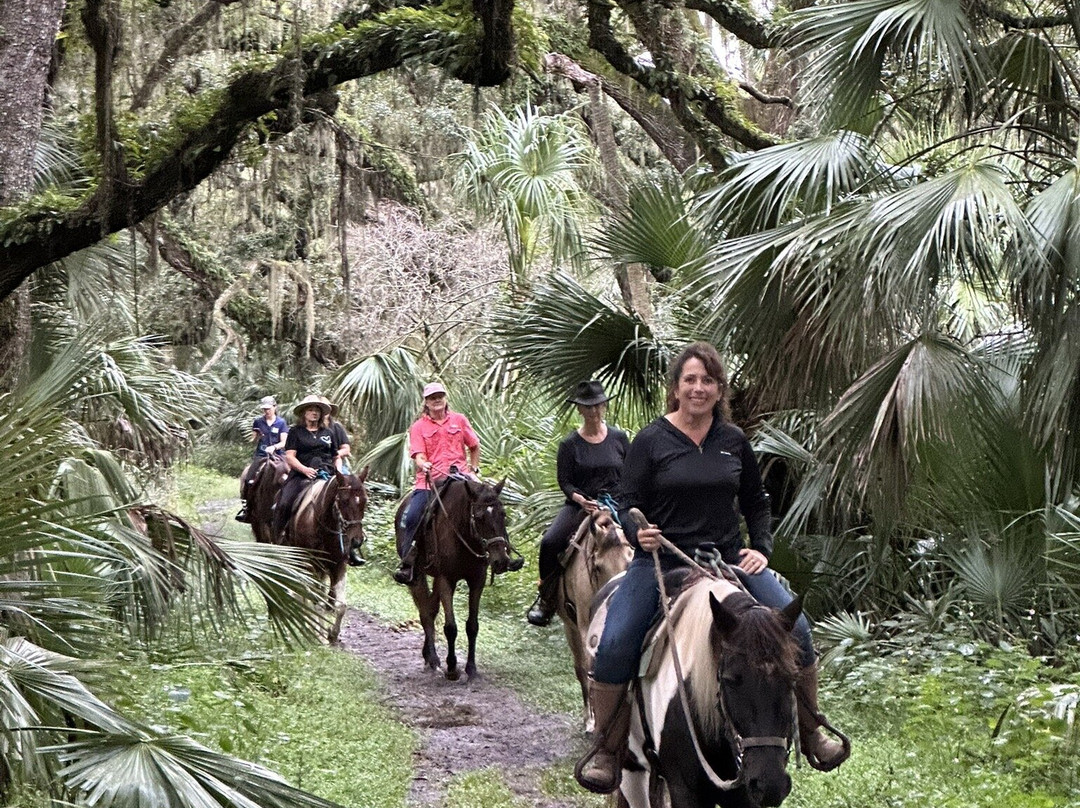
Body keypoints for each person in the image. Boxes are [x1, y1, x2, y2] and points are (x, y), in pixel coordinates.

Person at [575, 342, 848, 795]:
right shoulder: (651, 440)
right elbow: (626, 502)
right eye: (690, 380)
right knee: (618, 640)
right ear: (676, 388)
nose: (698, 388)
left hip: (726, 560)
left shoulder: (733, 441)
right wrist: (636, 528)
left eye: (707, 380)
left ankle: (812, 733)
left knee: (797, 632)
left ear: (719, 388)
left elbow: (756, 503)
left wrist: (760, 546)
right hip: (661, 561)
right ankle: (608, 747)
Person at [526, 380, 630, 626]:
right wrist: (580, 499)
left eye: (597, 405)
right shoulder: (570, 444)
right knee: (550, 542)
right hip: (581, 506)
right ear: (580, 410)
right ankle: (546, 598)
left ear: (604, 406)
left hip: (616, 504)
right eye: (588, 407)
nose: (593, 411)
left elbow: (631, 472)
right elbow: (565, 481)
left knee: (644, 537)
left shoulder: (619, 437)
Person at [393, 382, 482, 585]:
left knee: (489, 505)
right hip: (430, 481)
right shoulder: (418, 427)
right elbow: (418, 455)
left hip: (460, 477)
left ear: (445, 398)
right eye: (432, 397)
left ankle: (497, 554)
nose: (437, 400)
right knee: (413, 515)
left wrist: (474, 470)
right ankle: (408, 562)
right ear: (426, 402)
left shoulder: (459, 420)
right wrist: (423, 464)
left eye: (440, 396)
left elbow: (474, 446)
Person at [272, 395, 340, 542]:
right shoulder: (295, 432)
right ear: (304, 412)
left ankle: (350, 545)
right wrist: (305, 470)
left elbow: (336, 456)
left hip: (327, 475)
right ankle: (279, 538)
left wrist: (338, 473)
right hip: (301, 475)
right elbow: (290, 457)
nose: (314, 412)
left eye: (317, 410)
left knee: (348, 503)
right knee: (284, 502)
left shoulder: (328, 433)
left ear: (322, 414)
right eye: (310, 409)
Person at [319, 395, 363, 566]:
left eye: (325, 409)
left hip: (336, 468)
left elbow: (346, 448)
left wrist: (338, 454)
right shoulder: (310, 429)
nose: (322, 412)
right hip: (314, 468)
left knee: (351, 499)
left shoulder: (336, 428)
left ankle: (352, 547)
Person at [235, 396, 288, 523]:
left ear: (274, 407)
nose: (266, 411)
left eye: (268, 409)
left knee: (286, 478)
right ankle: (247, 508)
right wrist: (256, 436)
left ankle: (285, 507)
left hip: (278, 456)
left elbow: (284, 442)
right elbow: (253, 439)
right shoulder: (258, 421)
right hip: (261, 455)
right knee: (248, 479)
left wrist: (274, 447)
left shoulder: (281, 422)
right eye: (264, 409)